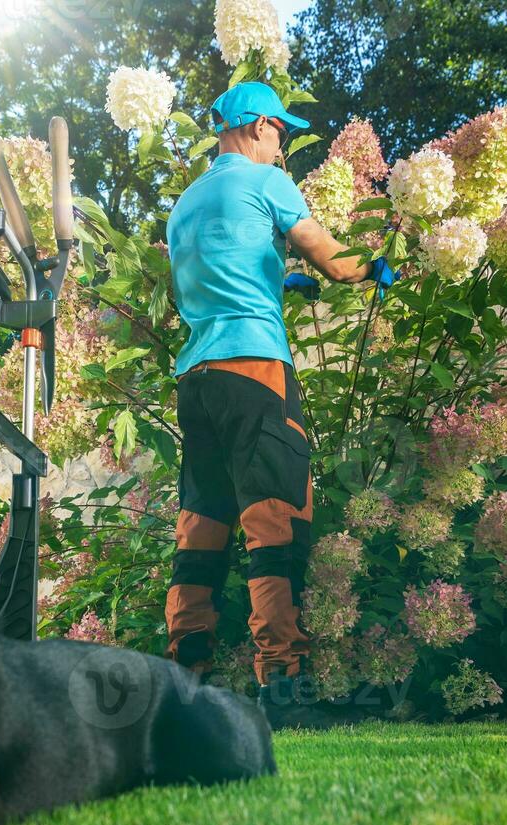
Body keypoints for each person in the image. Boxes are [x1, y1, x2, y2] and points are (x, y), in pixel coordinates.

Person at [163, 80, 396, 729]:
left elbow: (216, 270)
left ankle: (184, 678)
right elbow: (335, 259)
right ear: (259, 125)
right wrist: (374, 264)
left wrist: (274, 275)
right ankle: (283, 688)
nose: (283, 147)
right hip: (256, 367)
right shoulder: (265, 183)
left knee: (203, 524)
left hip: (198, 377)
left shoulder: (185, 202)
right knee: (278, 520)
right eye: (281, 134)